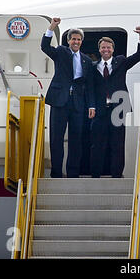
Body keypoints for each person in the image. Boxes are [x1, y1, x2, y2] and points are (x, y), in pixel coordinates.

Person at [41, 17, 96, 178]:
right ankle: (56, 172)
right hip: (60, 100)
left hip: (78, 103)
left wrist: (91, 105)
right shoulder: (60, 52)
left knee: (76, 140)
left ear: (82, 42)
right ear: (68, 40)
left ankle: (73, 172)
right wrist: (52, 27)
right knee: (56, 138)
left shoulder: (86, 60)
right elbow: (44, 46)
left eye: (79, 39)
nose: (76, 42)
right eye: (73, 39)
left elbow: (90, 85)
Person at [89, 27, 140, 178]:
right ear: (99, 49)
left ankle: (116, 175)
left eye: (108, 47)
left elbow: (139, 55)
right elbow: (90, 89)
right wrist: (91, 106)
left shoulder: (120, 62)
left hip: (118, 109)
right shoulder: (92, 66)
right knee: (97, 144)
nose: (106, 50)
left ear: (113, 50)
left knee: (117, 144)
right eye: (103, 47)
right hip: (100, 110)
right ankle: (95, 175)